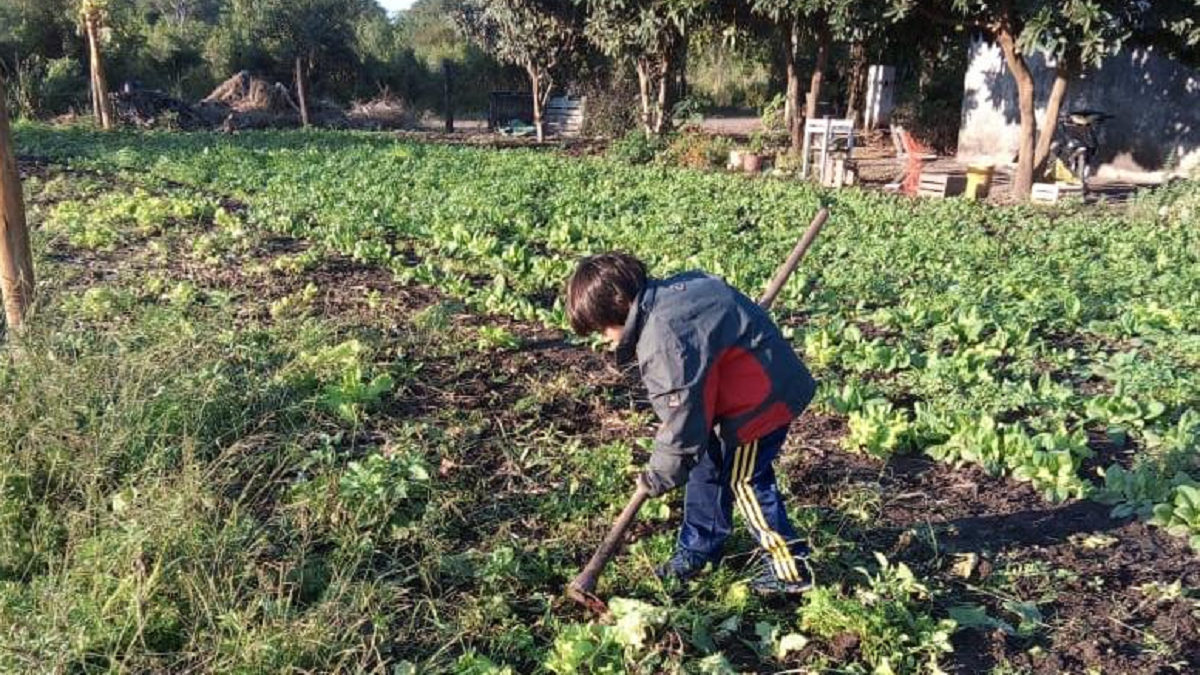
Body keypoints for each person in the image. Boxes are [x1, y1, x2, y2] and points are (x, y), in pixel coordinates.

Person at [565, 252, 817, 595]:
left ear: (618, 306)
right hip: (735, 392)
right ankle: (700, 549)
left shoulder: (662, 341)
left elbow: (681, 422)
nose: (605, 338)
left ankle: (791, 569)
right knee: (705, 464)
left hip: (759, 403)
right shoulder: (675, 291)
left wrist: (657, 476)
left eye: (602, 328)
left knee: (744, 479)